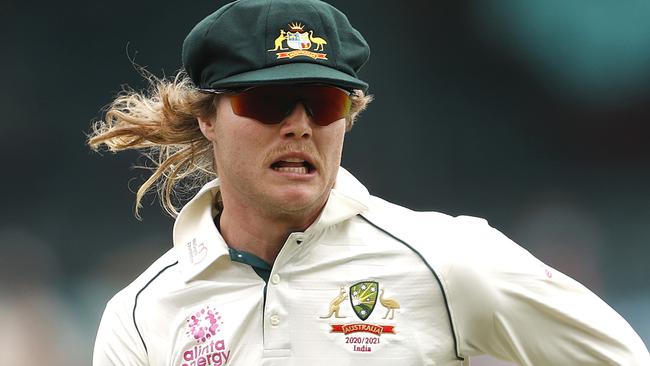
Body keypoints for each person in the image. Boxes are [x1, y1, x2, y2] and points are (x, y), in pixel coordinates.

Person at [89, 0, 650, 365]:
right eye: (268, 101)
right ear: (208, 118)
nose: (300, 125)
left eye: (324, 103)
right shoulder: (141, 316)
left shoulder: (450, 258)